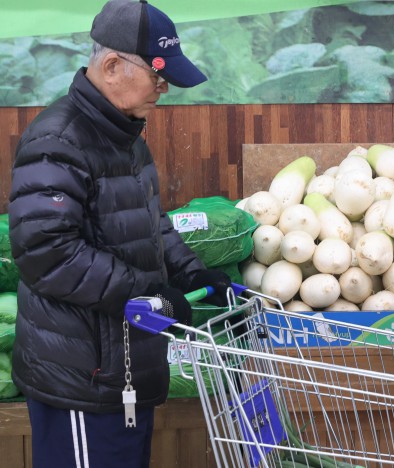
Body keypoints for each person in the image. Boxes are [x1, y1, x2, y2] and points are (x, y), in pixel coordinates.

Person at [8, 1, 232, 466]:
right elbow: (48, 253)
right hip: (84, 379)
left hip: (124, 370)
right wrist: (153, 293)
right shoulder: (59, 139)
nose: (164, 88)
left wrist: (191, 273)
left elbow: (149, 222)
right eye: (158, 75)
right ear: (112, 66)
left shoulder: (124, 134)